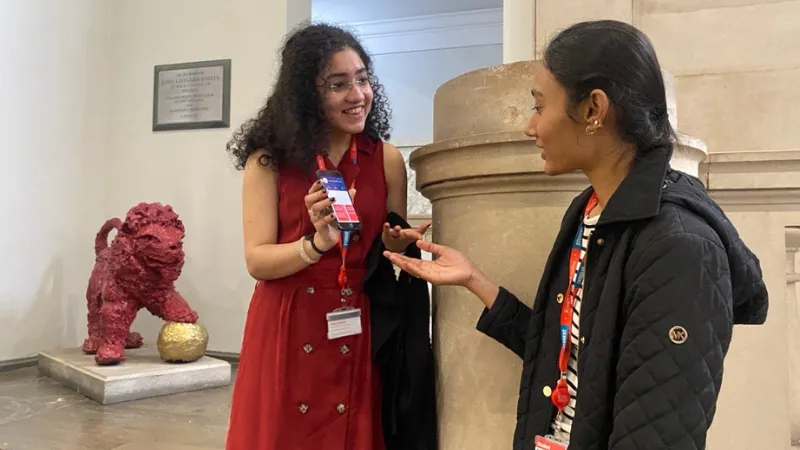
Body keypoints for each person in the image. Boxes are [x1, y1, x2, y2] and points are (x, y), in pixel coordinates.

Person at [386, 20, 769, 450]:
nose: (531, 127)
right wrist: (475, 280)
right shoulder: (590, 209)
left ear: (593, 109)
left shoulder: (680, 248)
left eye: (539, 106)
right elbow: (571, 352)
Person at [225, 23, 434, 450]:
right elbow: (257, 260)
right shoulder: (268, 162)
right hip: (287, 317)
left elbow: (382, 248)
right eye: (338, 85)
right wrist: (316, 243)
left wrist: (396, 244)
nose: (357, 95)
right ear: (306, 94)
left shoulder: (387, 159)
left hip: (356, 314)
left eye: (362, 79)